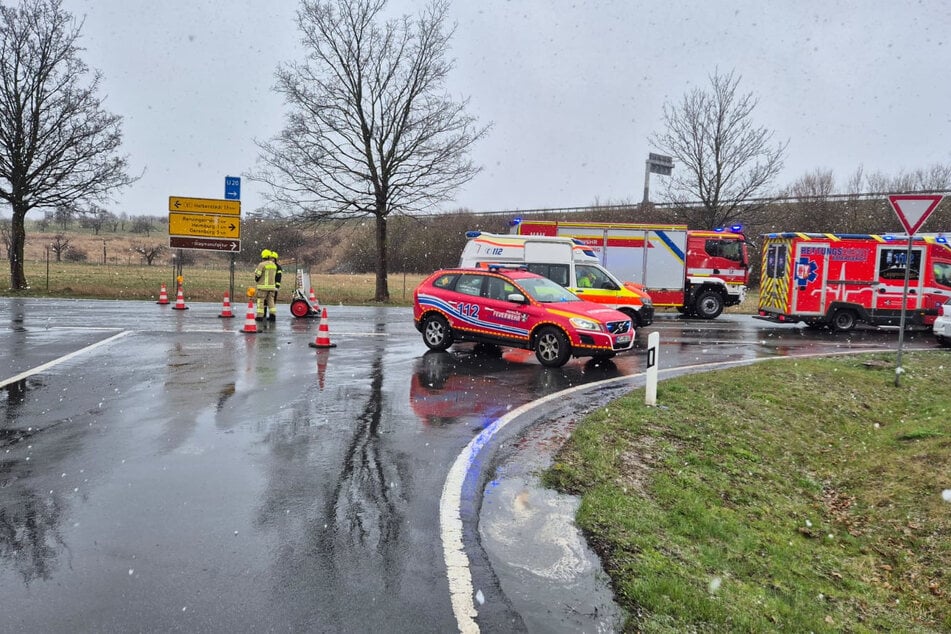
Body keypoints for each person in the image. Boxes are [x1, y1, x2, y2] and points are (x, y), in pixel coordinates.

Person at [254, 249, 279, 321]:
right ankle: (272, 315)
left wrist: (257, 279)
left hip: (263, 287)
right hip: (272, 287)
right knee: (271, 301)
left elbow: (257, 275)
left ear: (263, 256)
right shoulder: (274, 265)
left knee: (260, 301)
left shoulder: (261, 264)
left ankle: (259, 316)